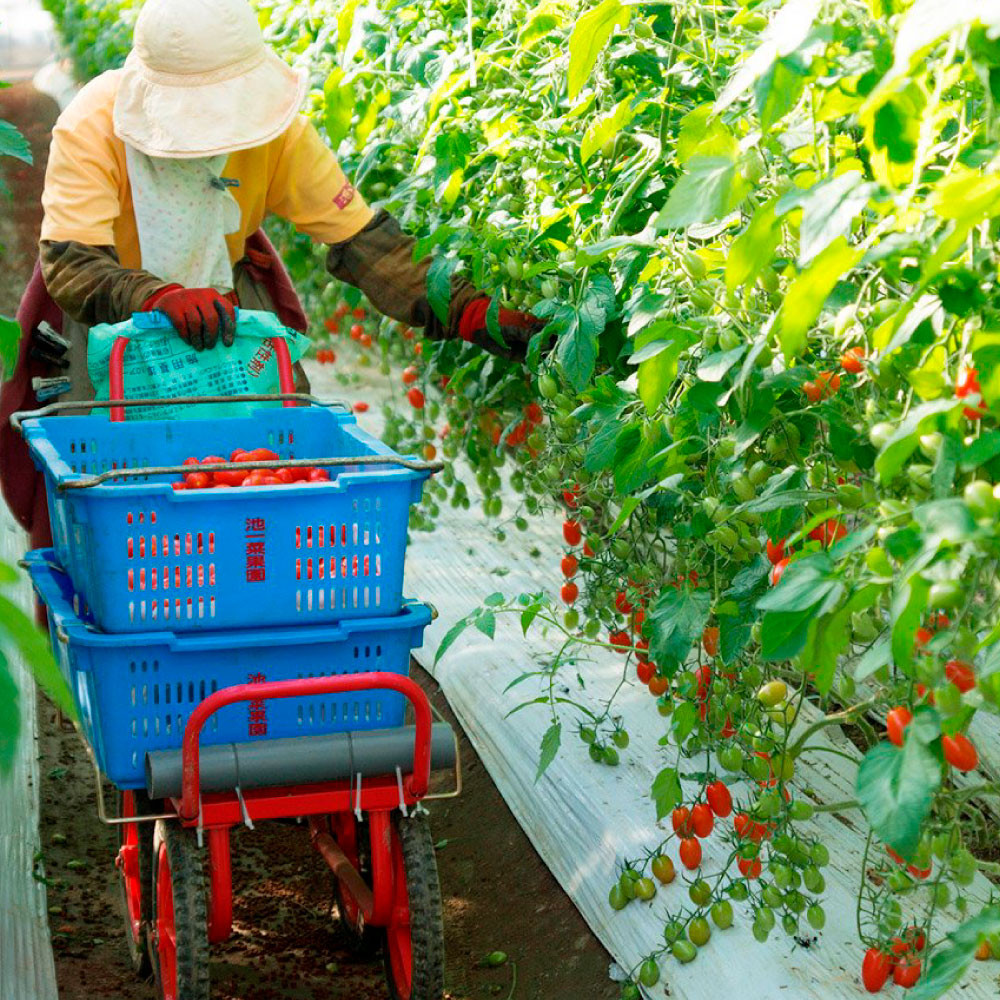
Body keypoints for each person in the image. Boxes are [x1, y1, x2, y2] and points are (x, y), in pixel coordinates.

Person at [37, 0, 541, 382]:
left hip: (222, 302)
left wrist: (468, 310)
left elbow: (363, 241)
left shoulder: (277, 130)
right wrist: (154, 294)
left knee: (270, 443)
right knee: (108, 445)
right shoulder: (92, 123)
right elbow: (71, 262)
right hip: (112, 313)